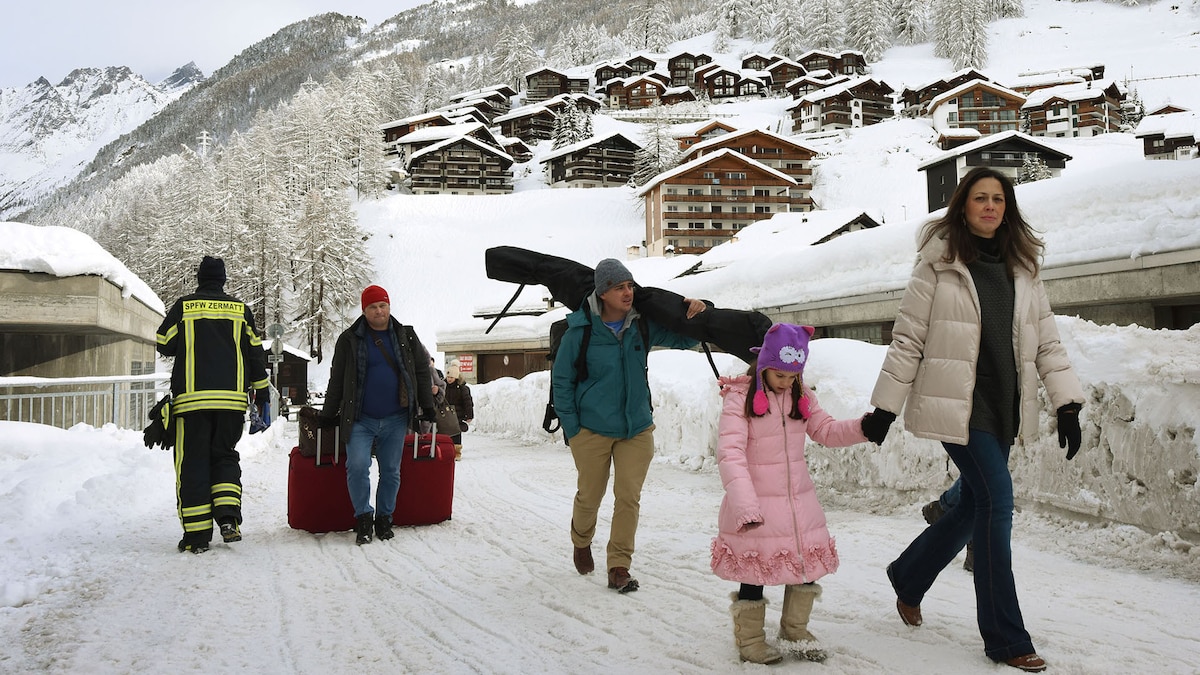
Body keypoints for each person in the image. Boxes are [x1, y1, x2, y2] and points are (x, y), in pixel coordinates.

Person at [861, 167, 1085, 673]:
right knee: (997, 503)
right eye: (980, 198)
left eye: (998, 200)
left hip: (1004, 407)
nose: (989, 206)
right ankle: (1006, 637)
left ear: (1007, 209)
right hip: (957, 408)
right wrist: (885, 407)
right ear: (963, 206)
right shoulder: (937, 265)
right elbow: (909, 338)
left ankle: (909, 575)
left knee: (970, 505)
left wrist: (1066, 402)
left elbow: (1046, 340)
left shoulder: (1023, 267)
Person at [712, 323, 871, 664]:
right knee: (755, 573)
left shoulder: (802, 396)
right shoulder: (739, 398)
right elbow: (730, 453)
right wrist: (744, 505)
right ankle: (750, 639)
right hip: (755, 504)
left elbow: (826, 430)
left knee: (804, 563)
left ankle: (795, 629)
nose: (786, 382)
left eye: (793, 375)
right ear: (764, 365)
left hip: (798, 501)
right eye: (780, 375)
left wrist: (863, 427)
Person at [553, 258, 707, 593]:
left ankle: (618, 566)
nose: (628, 292)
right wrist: (573, 429)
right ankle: (581, 540)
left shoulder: (641, 325)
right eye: (620, 287)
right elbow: (561, 382)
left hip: (636, 427)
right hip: (591, 430)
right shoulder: (580, 331)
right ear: (603, 292)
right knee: (590, 495)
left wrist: (697, 311)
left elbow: (686, 338)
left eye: (630, 286)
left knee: (628, 497)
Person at [156, 256, 271, 554]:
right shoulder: (240, 310)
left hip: (192, 403)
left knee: (193, 462)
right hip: (231, 403)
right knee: (225, 456)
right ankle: (229, 518)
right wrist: (262, 392)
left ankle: (196, 536)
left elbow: (163, 342)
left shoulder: (184, 306)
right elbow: (256, 354)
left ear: (199, 278)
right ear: (223, 280)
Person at [322, 284, 436, 545]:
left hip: (396, 417)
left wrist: (427, 406)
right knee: (358, 466)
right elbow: (337, 380)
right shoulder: (349, 339)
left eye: (382, 305)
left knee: (392, 471)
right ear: (364, 311)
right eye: (372, 307)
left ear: (389, 306)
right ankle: (363, 517)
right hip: (361, 418)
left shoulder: (406, 336)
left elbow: (421, 371)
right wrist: (328, 415)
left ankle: (384, 518)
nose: (378, 311)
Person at [443, 360, 474, 460]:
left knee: (456, 433)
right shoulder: (443, 386)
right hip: (445, 414)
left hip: (457, 414)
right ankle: (446, 451)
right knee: (445, 433)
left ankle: (457, 453)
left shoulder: (462, 388)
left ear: (456, 377)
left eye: (451, 377)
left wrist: (469, 415)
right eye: (448, 377)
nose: (449, 379)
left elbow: (468, 402)